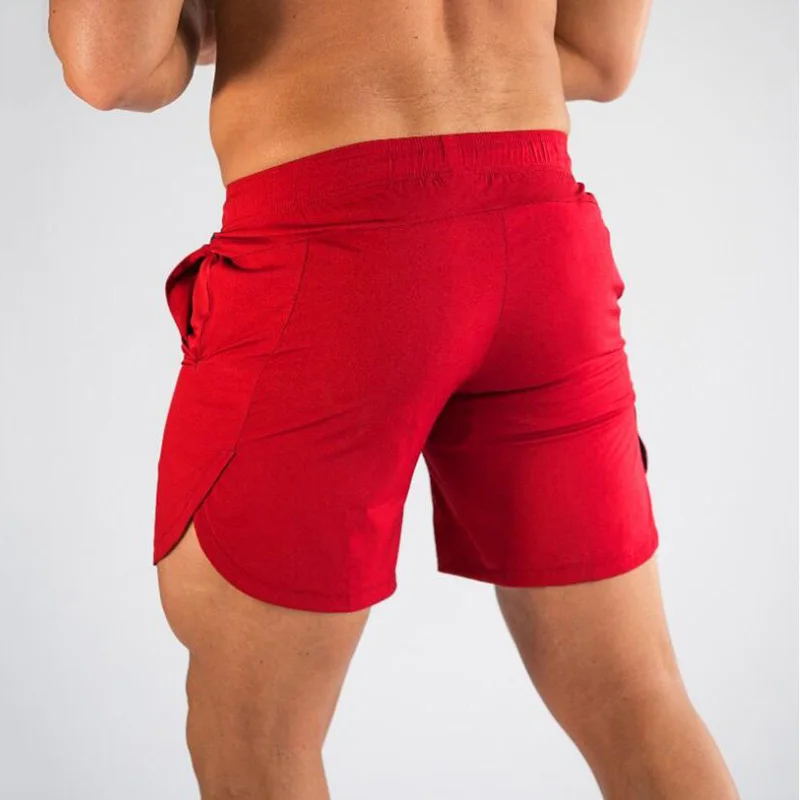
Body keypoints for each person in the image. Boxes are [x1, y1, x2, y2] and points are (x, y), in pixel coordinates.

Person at [49, 1, 740, 797]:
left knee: (256, 732)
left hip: (335, 260)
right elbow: (603, 57)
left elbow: (108, 69)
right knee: (635, 699)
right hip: (542, 241)